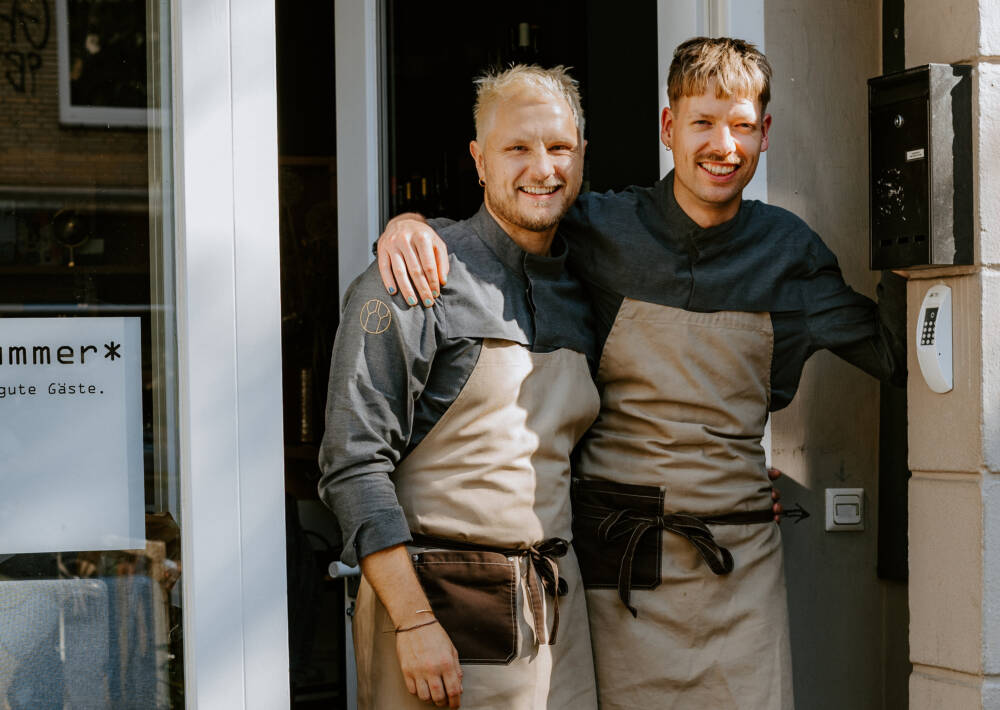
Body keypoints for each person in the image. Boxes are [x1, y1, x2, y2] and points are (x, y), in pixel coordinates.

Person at [375, 38, 906, 710]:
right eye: (703, 123)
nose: (723, 146)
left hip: (738, 565)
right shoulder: (600, 228)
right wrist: (408, 228)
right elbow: (513, 219)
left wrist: (910, 231)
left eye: (742, 125)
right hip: (619, 568)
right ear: (668, 128)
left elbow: (894, 356)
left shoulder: (789, 254)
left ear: (764, 134)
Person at [319, 65, 602, 709]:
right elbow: (352, 465)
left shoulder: (588, 283)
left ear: (582, 154)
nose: (542, 167)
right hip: (438, 618)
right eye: (517, 148)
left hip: (559, 622)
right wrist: (415, 623)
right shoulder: (416, 276)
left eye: (559, 147)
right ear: (478, 160)